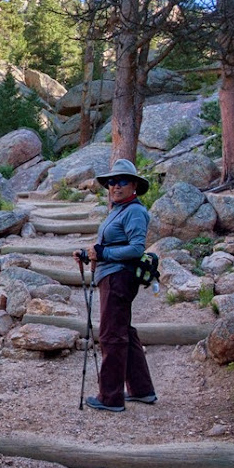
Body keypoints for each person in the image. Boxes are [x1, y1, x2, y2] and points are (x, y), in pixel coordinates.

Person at [74, 158, 157, 412]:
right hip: (113, 276)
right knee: (124, 331)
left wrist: (104, 254)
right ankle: (142, 390)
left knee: (112, 335)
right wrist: (90, 254)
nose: (115, 186)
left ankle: (110, 398)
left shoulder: (134, 211)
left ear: (134, 185)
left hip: (119, 278)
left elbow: (136, 248)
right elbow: (110, 246)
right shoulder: (119, 209)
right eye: (111, 182)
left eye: (122, 181)